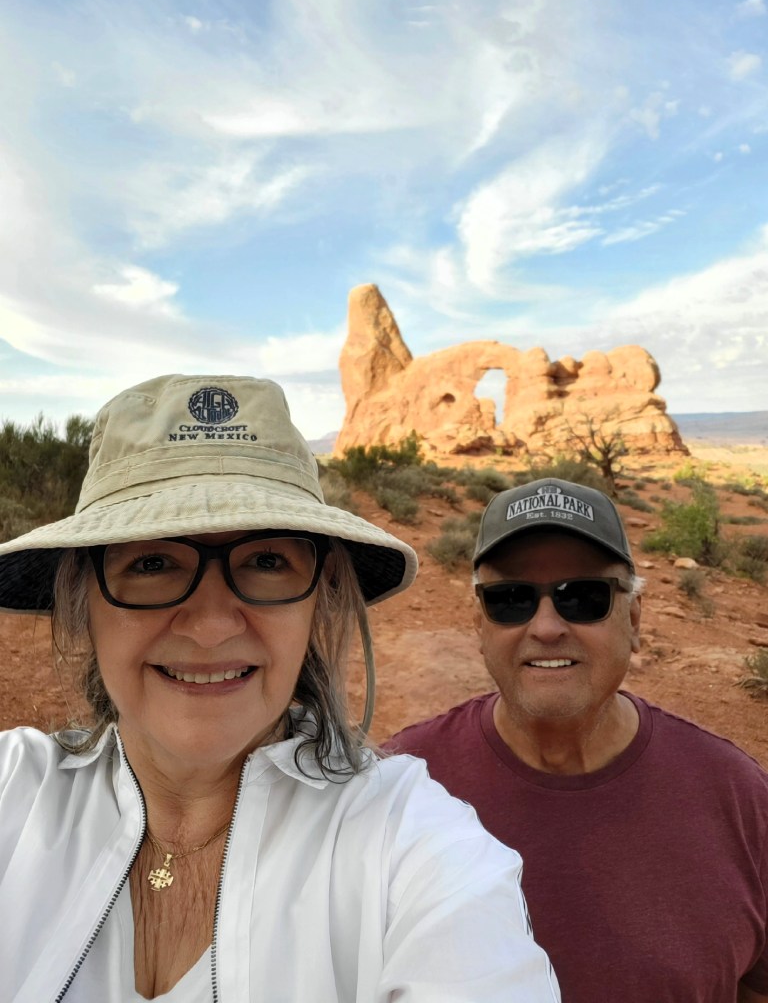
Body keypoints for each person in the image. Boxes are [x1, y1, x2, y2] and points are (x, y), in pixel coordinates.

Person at [0, 376, 560, 1003]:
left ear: (321, 601)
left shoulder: (412, 847)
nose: (211, 626)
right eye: (152, 563)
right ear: (81, 602)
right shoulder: (12, 792)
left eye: (266, 561)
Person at [384, 477, 768, 1003]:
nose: (546, 627)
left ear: (634, 619)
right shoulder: (400, 789)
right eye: (511, 599)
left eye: (583, 597)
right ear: (479, 625)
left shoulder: (737, 796)